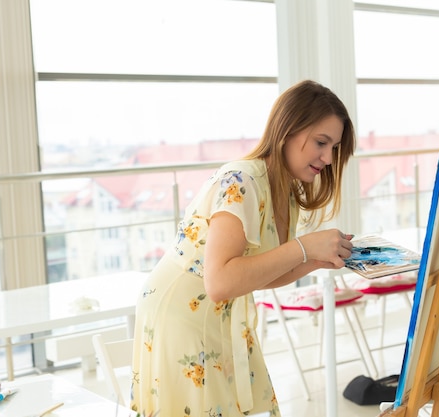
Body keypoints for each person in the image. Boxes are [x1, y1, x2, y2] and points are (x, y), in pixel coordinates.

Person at [130, 79, 356, 417]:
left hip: (218, 316)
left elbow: (257, 273)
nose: (327, 157)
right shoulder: (243, 181)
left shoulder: (285, 191)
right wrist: (304, 247)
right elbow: (221, 282)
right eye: (321, 142)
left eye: (334, 147)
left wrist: (317, 258)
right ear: (287, 130)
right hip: (182, 317)